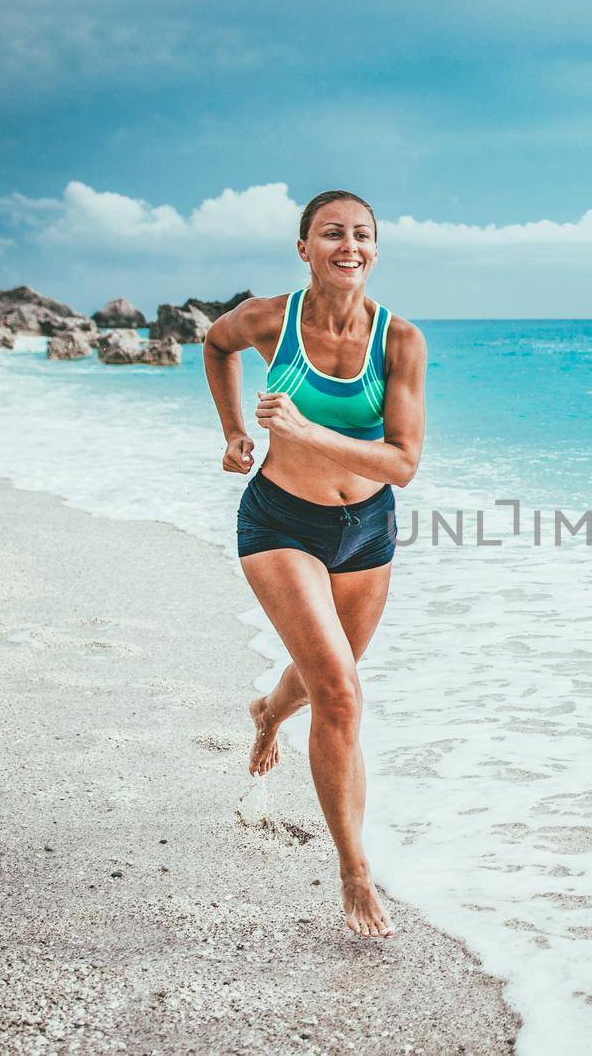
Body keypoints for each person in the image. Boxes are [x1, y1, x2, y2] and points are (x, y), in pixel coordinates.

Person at [202, 189, 427, 939]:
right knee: (340, 693)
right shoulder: (272, 320)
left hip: (367, 530)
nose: (349, 245)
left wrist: (301, 427)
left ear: (375, 249)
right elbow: (213, 342)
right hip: (280, 522)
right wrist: (236, 431)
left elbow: (402, 462)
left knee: (328, 678)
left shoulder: (401, 343)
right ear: (305, 247)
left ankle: (268, 711)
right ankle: (355, 871)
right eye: (332, 233)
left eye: (363, 234)